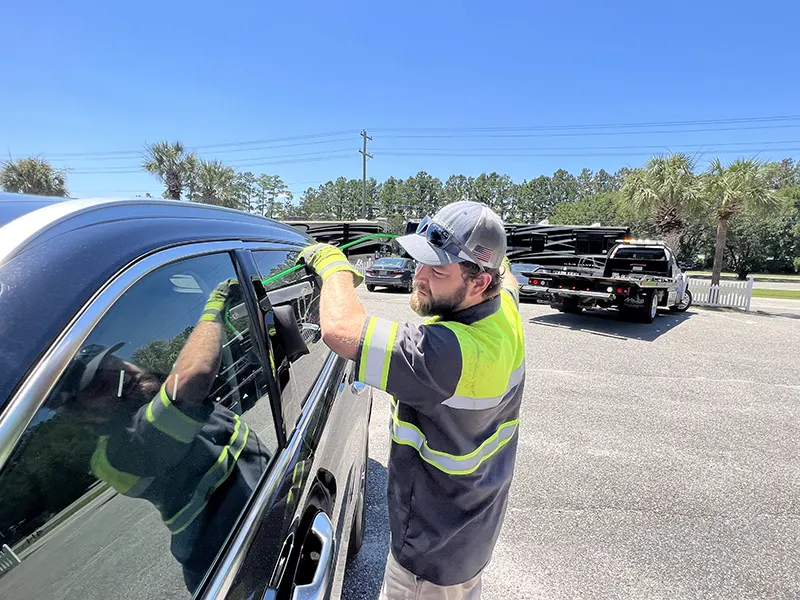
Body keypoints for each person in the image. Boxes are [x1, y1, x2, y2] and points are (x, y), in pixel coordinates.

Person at [299, 201, 525, 600]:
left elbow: (341, 330)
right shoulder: (504, 309)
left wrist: (333, 266)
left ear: (478, 283)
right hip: (470, 528)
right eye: (419, 261)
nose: (418, 277)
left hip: (432, 557)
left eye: (437, 270)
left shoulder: (447, 354)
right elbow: (509, 278)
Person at [54, 279, 271, 591]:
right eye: (102, 385)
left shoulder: (146, 406)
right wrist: (215, 305)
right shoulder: (118, 451)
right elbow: (193, 376)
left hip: (261, 512)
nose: (125, 375)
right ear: (83, 415)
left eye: (117, 364)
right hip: (231, 562)